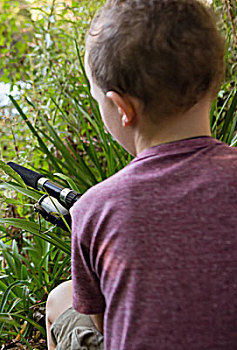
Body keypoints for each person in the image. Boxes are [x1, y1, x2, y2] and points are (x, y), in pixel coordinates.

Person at [45, 0, 237, 349]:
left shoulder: (94, 209)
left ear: (122, 109)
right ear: (213, 81)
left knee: (60, 302)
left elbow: (107, 324)